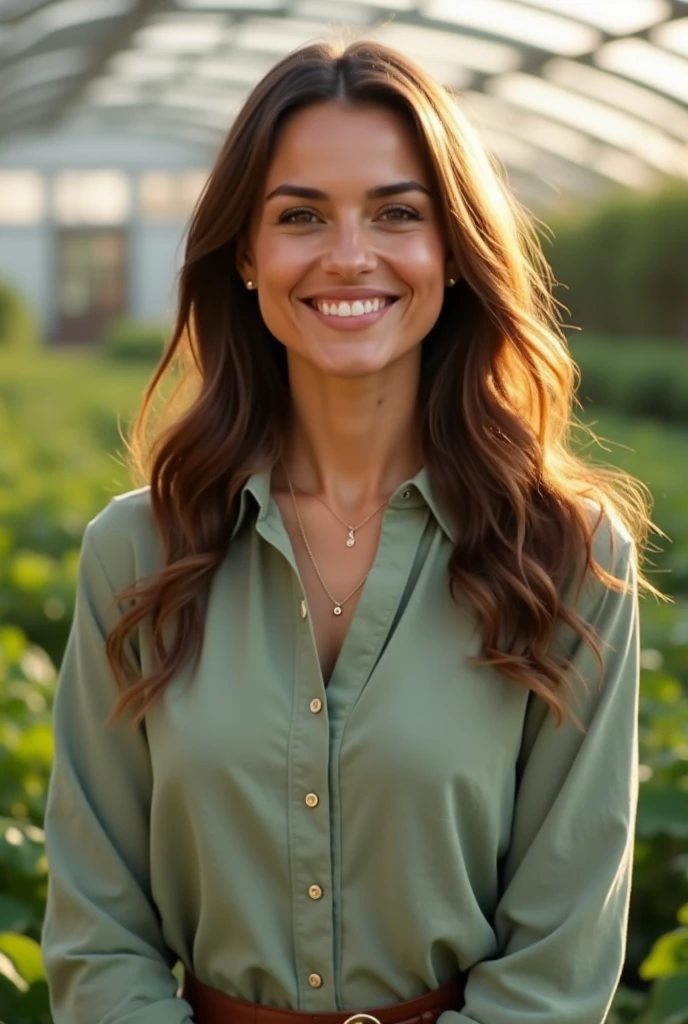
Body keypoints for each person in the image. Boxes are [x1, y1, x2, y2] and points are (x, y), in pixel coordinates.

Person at [41, 37, 656, 1024]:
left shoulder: (569, 557)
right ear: (246, 252)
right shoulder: (136, 553)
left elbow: (558, 950)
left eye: (396, 213)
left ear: (451, 249)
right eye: (300, 216)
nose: (348, 255)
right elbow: (95, 926)